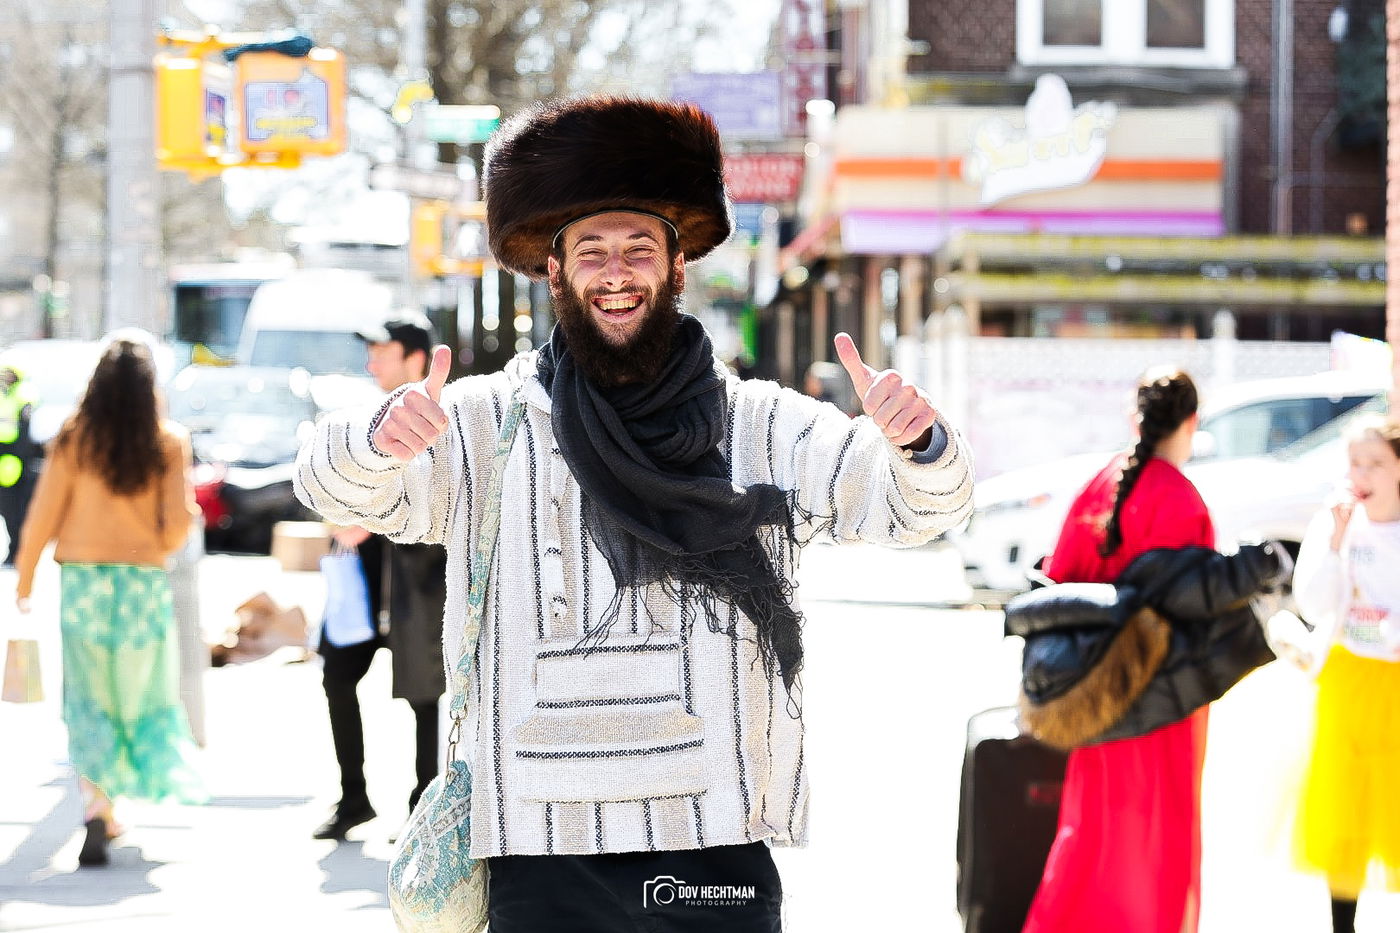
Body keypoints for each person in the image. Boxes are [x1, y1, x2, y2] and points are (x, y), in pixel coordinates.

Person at [295, 96, 974, 931]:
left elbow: (911, 507)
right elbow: (331, 486)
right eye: (592, 251)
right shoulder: (485, 425)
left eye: (638, 249)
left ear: (678, 264)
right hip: (539, 852)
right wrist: (374, 438)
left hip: (711, 842)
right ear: (553, 270)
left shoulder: (760, 424)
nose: (616, 272)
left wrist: (922, 442)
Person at [1023, 366, 1213, 933]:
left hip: (1097, 697)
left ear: (1136, 418)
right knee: (1164, 829)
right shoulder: (1184, 501)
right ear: (1191, 422)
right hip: (1168, 702)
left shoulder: (1100, 485)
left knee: (1092, 826)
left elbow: (1057, 582)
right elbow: (1201, 611)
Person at [13, 337, 205, 867]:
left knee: (88, 694)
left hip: (83, 583)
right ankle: (114, 804)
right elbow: (178, 524)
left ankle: (98, 808)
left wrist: (25, 578)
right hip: (141, 584)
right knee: (137, 693)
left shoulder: (74, 438)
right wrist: (149, 549)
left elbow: (44, 511)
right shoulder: (167, 442)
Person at [312, 314, 449, 841]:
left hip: (420, 579)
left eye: (382, 351)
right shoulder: (359, 414)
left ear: (415, 359)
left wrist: (370, 514)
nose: (372, 362)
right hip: (361, 581)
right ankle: (353, 798)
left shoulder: (448, 414)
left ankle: (422, 804)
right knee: (337, 677)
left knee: (424, 693)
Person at [1291, 414, 1400, 933]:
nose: (1362, 474)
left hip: (1395, 687)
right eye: (1355, 462)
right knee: (1344, 813)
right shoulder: (1335, 522)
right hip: (1346, 681)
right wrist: (1333, 543)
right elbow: (1313, 603)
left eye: (1375, 462)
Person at [0, 363, 39, 565]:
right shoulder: (4, 394)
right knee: (7, 509)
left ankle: (18, 551)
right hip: (5, 460)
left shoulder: (24, 395)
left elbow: (25, 432)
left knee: (18, 510)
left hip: (18, 461)